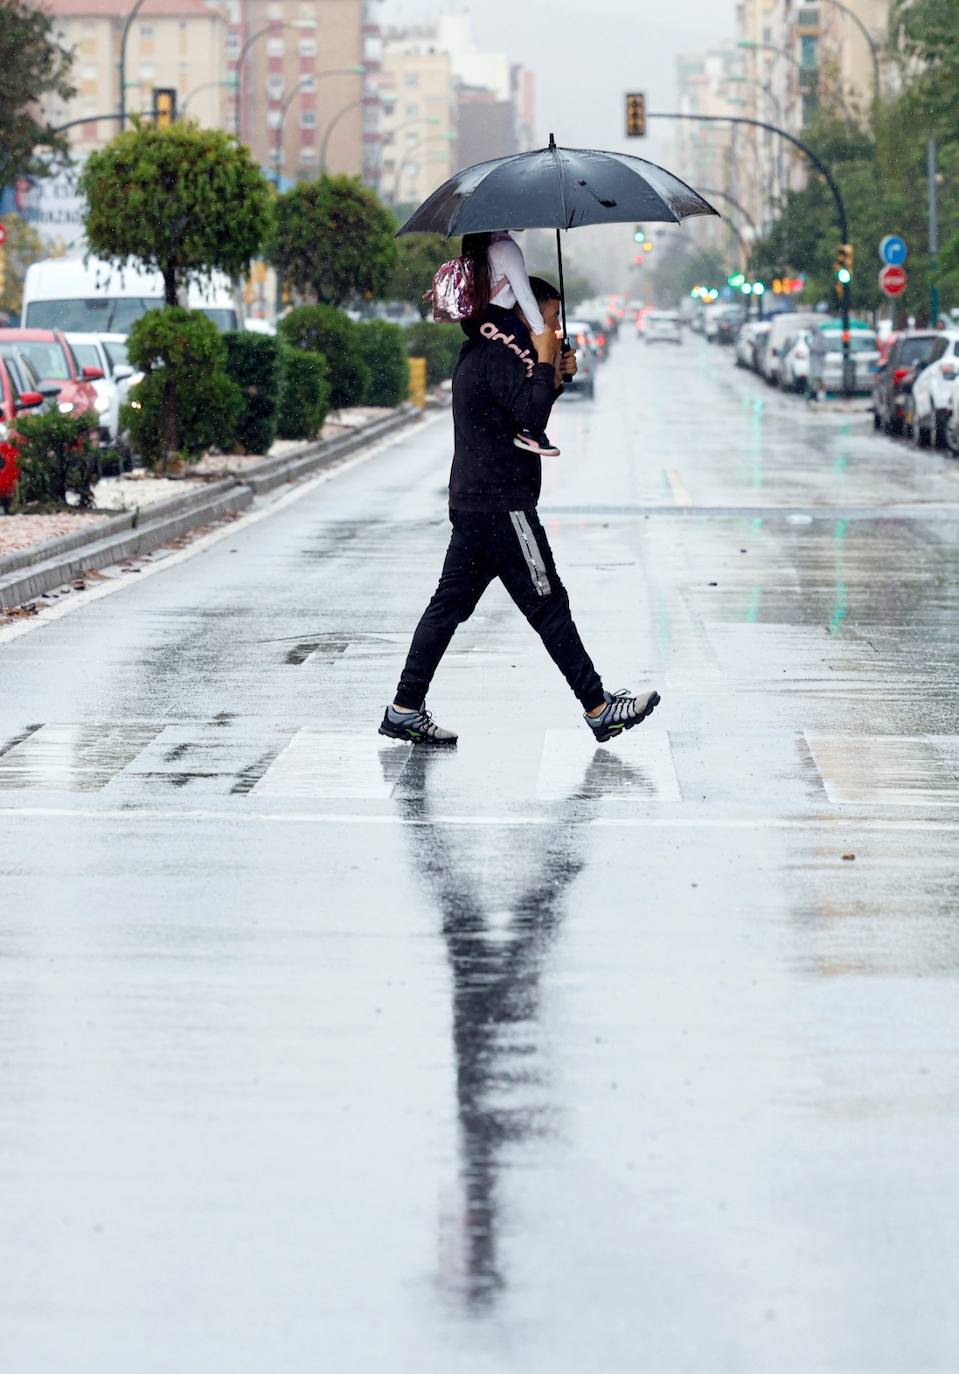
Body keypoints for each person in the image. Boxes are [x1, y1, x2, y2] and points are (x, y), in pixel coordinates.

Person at [379, 275, 660, 747]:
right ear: (527, 313)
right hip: (503, 504)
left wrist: (555, 372)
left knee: (447, 607)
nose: (552, 328)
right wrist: (546, 362)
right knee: (549, 605)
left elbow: (519, 407)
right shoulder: (502, 353)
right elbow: (530, 421)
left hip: (475, 501)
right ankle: (598, 708)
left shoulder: (488, 347)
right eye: (549, 318)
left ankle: (405, 708)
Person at [462, 230, 559, 458]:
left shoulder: (480, 248)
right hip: (500, 318)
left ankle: (531, 430)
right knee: (530, 362)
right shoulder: (507, 248)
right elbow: (524, 295)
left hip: (478, 320)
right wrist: (540, 333)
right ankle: (530, 431)